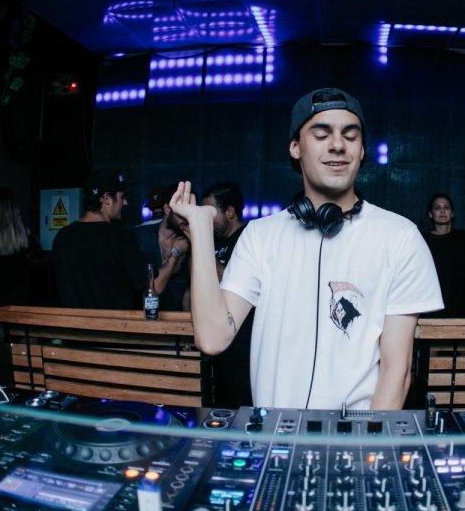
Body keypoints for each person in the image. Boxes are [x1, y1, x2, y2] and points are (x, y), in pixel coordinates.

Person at [169, 87, 444, 410]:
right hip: (275, 432)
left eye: (350, 135)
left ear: (362, 150)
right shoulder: (260, 236)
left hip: (357, 434)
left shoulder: (400, 238)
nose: (338, 145)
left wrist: (370, 439)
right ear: (295, 147)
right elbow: (213, 338)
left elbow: (396, 371)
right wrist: (201, 232)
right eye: (321, 134)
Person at [52, 170, 158, 310]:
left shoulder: (62, 236)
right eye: (122, 197)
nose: (125, 202)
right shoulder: (120, 238)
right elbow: (153, 287)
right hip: (113, 323)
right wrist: (175, 255)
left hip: (72, 323)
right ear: (107, 199)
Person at [198, 181, 253, 407]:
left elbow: (227, 278)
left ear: (230, 212)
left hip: (242, 349)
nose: (207, 219)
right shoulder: (214, 243)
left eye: (210, 212)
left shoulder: (247, 239)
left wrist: (198, 239)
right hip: (217, 347)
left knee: (240, 412)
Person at [134, 184, 192, 311]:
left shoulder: (191, 241)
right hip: (143, 316)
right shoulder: (141, 237)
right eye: (182, 212)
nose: (188, 217)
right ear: (167, 209)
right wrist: (176, 253)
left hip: (179, 318)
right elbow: (152, 288)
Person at [421, 193, 465, 318]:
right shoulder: (422, 240)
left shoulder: (463, 238)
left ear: (452, 213)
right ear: (430, 214)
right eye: (437, 208)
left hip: (459, 310)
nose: (442, 211)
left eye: (446, 207)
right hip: (430, 310)